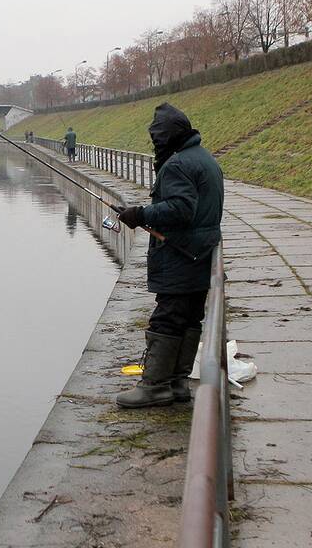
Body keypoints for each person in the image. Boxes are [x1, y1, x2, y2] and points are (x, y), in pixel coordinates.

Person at [115, 103, 224, 408]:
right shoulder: (204, 159)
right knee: (188, 317)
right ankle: (177, 382)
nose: (155, 145)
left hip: (180, 255)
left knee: (167, 318)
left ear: (166, 137)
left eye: (157, 139)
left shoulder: (177, 165)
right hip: (199, 254)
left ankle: (155, 386)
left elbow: (181, 209)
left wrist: (141, 213)